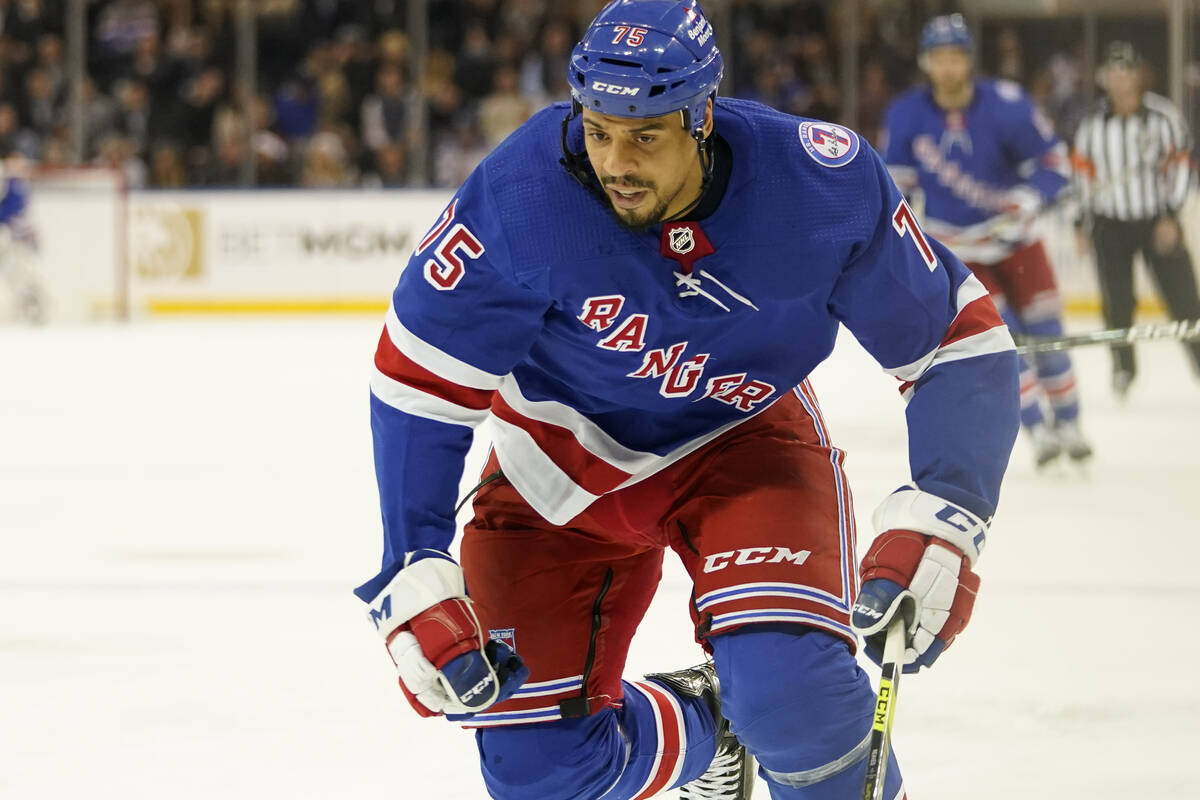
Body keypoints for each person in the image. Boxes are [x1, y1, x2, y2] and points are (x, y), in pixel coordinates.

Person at [355, 3, 1019, 799]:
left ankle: (760, 712)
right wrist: (412, 558)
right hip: (556, 468)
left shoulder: (820, 184)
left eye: (645, 135)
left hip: (741, 440)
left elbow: (956, 341)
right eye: (598, 130)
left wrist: (948, 507)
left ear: (702, 115)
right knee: (543, 776)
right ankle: (713, 729)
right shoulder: (523, 194)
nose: (614, 162)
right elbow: (419, 376)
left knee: (793, 700)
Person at [881, 14, 1091, 468]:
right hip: (961, 254)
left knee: (1049, 333)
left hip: (1019, 242)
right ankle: (1038, 431)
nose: (949, 67)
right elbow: (893, 186)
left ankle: (1071, 422)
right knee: (1004, 341)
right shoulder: (906, 114)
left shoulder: (1007, 104)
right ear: (926, 62)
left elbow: (1054, 162)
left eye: (956, 56)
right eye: (940, 57)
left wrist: (1028, 198)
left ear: (969, 60)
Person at [1073, 41, 1200, 396]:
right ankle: (1123, 368)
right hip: (1110, 224)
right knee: (1117, 302)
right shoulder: (1092, 126)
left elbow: (1181, 168)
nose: (1119, 80)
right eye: (1112, 73)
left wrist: (1170, 216)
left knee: (1184, 298)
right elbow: (1082, 178)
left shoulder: (1163, 117)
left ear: (1137, 76)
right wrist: (1080, 223)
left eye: (1125, 72)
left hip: (1156, 220)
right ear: (1104, 79)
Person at [0, 153, 42, 323]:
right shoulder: (16, 184)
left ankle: (31, 305)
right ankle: (30, 305)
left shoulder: (15, 185)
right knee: (17, 272)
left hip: (12, 236)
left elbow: (10, 212)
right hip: (13, 235)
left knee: (19, 272)